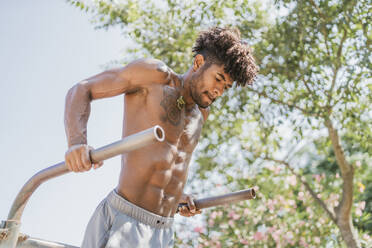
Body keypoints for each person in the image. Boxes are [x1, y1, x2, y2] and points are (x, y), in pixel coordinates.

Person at [64, 26, 258, 248]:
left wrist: (177, 197)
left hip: (164, 231)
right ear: (198, 63)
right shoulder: (154, 76)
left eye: (226, 87)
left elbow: (166, 162)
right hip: (126, 219)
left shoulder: (201, 114)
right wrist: (77, 143)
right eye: (218, 78)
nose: (219, 91)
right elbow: (81, 90)